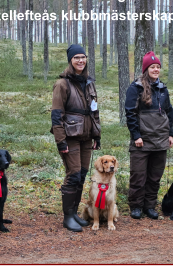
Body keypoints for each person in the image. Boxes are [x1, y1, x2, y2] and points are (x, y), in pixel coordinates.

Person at [51, 44, 101, 232]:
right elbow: (56, 115)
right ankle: (67, 217)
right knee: (72, 175)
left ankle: (74, 213)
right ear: (70, 60)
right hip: (70, 137)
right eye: (76, 57)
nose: (80, 60)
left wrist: (97, 135)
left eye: (83, 57)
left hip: (87, 137)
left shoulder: (89, 82)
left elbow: (94, 111)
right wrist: (60, 140)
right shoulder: (62, 84)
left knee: (81, 175)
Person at [125, 51, 173, 220]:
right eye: (152, 67)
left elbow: (169, 112)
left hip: (161, 139)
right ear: (146, 69)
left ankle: (150, 206)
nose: (156, 69)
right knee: (138, 176)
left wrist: (170, 134)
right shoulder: (135, 88)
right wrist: (136, 135)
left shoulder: (163, 88)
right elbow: (130, 113)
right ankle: (136, 206)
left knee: (155, 176)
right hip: (141, 140)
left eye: (158, 67)